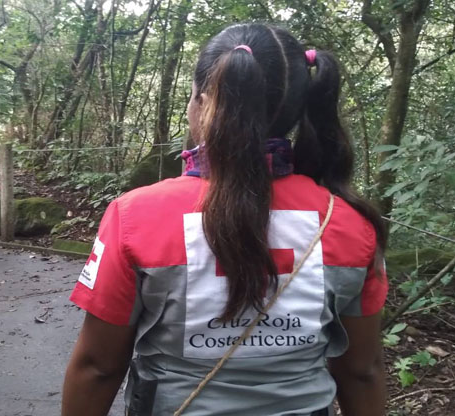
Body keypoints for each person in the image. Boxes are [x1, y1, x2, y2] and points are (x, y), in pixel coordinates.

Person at [62, 24, 389, 416]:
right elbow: (361, 371)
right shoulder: (352, 223)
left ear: (200, 103)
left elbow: (99, 367)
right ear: (300, 108)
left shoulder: (135, 215)